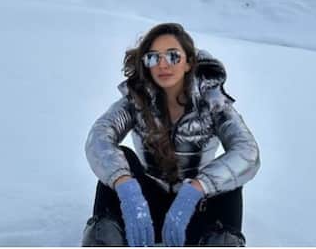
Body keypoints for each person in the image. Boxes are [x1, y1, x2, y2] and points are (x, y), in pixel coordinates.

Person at [82, 23, 260, 246]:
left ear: (189, 63)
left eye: (173, 56)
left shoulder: (214, 103)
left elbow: (247, 151)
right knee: (121, 160)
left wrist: (196, 189)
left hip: (197, 211)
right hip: (144, 211)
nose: (163, 64)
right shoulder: (136, 99)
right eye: (153, 57)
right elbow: (99, 136)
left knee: (228, 181)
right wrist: (127, 188)